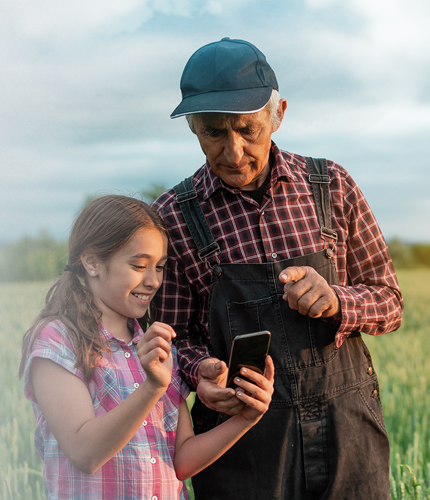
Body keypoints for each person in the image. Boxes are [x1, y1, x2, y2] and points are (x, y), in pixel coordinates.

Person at [152, 38, 405, 499]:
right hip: (242, 445)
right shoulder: (172, 216)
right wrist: (200, 372)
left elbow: (389, 302)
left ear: (279, 113)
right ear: (192, 127)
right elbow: (167, 339)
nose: (232, 152)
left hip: (347, 434)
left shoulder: (332, 187)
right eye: (213, 132)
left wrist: (336, 300)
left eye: (248, 130)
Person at [22, 195, 279, 500]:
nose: (153, 281)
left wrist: (245, 419)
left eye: (159, 267)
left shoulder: (153, 343)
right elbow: (84, 452)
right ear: (92, 262)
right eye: (139, 265)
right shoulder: (58, 339)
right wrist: (152, 387)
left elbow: (182, 460)